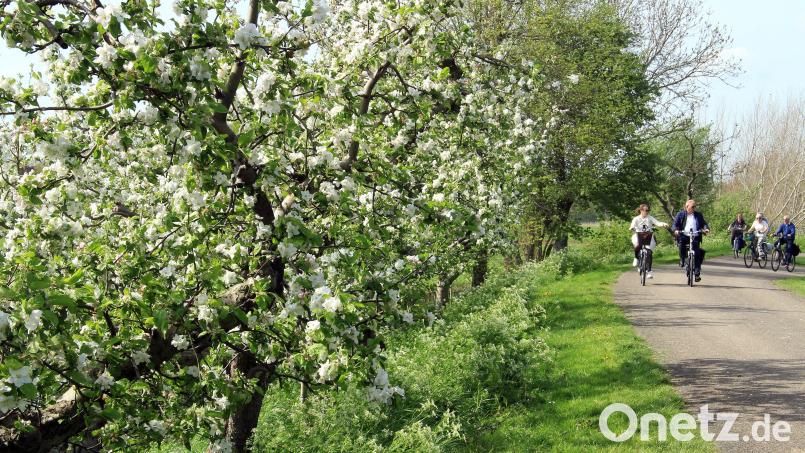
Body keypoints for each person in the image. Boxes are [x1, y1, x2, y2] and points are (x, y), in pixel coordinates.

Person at [672, 199, 710, 282]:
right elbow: (675, 224)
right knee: (681, 242)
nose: (693, 208)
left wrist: (706, 229)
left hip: (695, 236)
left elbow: (704, 223)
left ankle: (697, 273)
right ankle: (682, 259)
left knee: (697, 253)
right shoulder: (681, 214)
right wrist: (676, 230)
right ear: (686, 207)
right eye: (692, 207)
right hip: (684, 235)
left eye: (694, 207)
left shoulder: (698, 215)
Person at [629, 203, 669, 279]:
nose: (647, 212)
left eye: (648, 210)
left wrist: (663, 224)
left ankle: (649, 271)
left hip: (648, 236)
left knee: (649, 252)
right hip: (638, 235)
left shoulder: (650, 218)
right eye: (646, 210)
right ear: (641, 210)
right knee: (637, 245)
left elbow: (657, 223)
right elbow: (632, 225)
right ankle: (636, 258)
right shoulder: (636, 218)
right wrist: (632, 228)